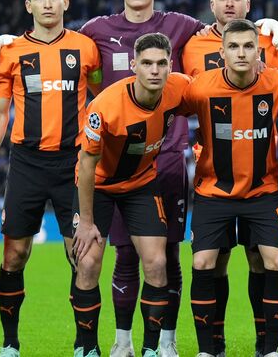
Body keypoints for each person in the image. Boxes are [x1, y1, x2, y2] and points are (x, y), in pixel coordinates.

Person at [0, 0, 278, 357]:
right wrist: (9, 40)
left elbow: (226, 31)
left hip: (165, 158)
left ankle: (164, 342)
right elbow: (56, 41)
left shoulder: (181, 27)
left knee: (166, 255)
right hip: (106, 162)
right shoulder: (95, 34)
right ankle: (118, 340)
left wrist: (268, 26)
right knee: (118, 254)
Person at [0, 0, 102, 357]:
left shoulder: (86, 48)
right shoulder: (10, 52)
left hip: (74, 164)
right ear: (29, 6)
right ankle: (10, 344)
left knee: (83, 256)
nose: (48, 3)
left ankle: (86, 346)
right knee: (15, 255)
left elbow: (102, 97)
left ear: (65, 3)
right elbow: (0, 112)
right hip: (26, 164)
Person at [181, 0, 278, 357]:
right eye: (234, 47)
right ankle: (210, 347)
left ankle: (268, 347)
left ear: (259, 51)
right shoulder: (199, 85)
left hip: (262, 189)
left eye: (248, 46)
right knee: (206, 262)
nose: (242, 53)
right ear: (222, 52)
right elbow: (162, 98)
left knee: (272, 260)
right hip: (214, 189)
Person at [72, 33, 190, 357]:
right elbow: (86, 164)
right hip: (98, 186)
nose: (154, 70)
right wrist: (86, 223)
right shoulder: (104, 107)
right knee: (88, 263)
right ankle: (87, 348)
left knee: (157, 262)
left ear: (170, 66)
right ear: (133, 65)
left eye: (161, 63)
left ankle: (150, 349)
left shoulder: (179, 88)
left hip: (140, 183)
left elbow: (213, 91)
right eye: (147, 63)